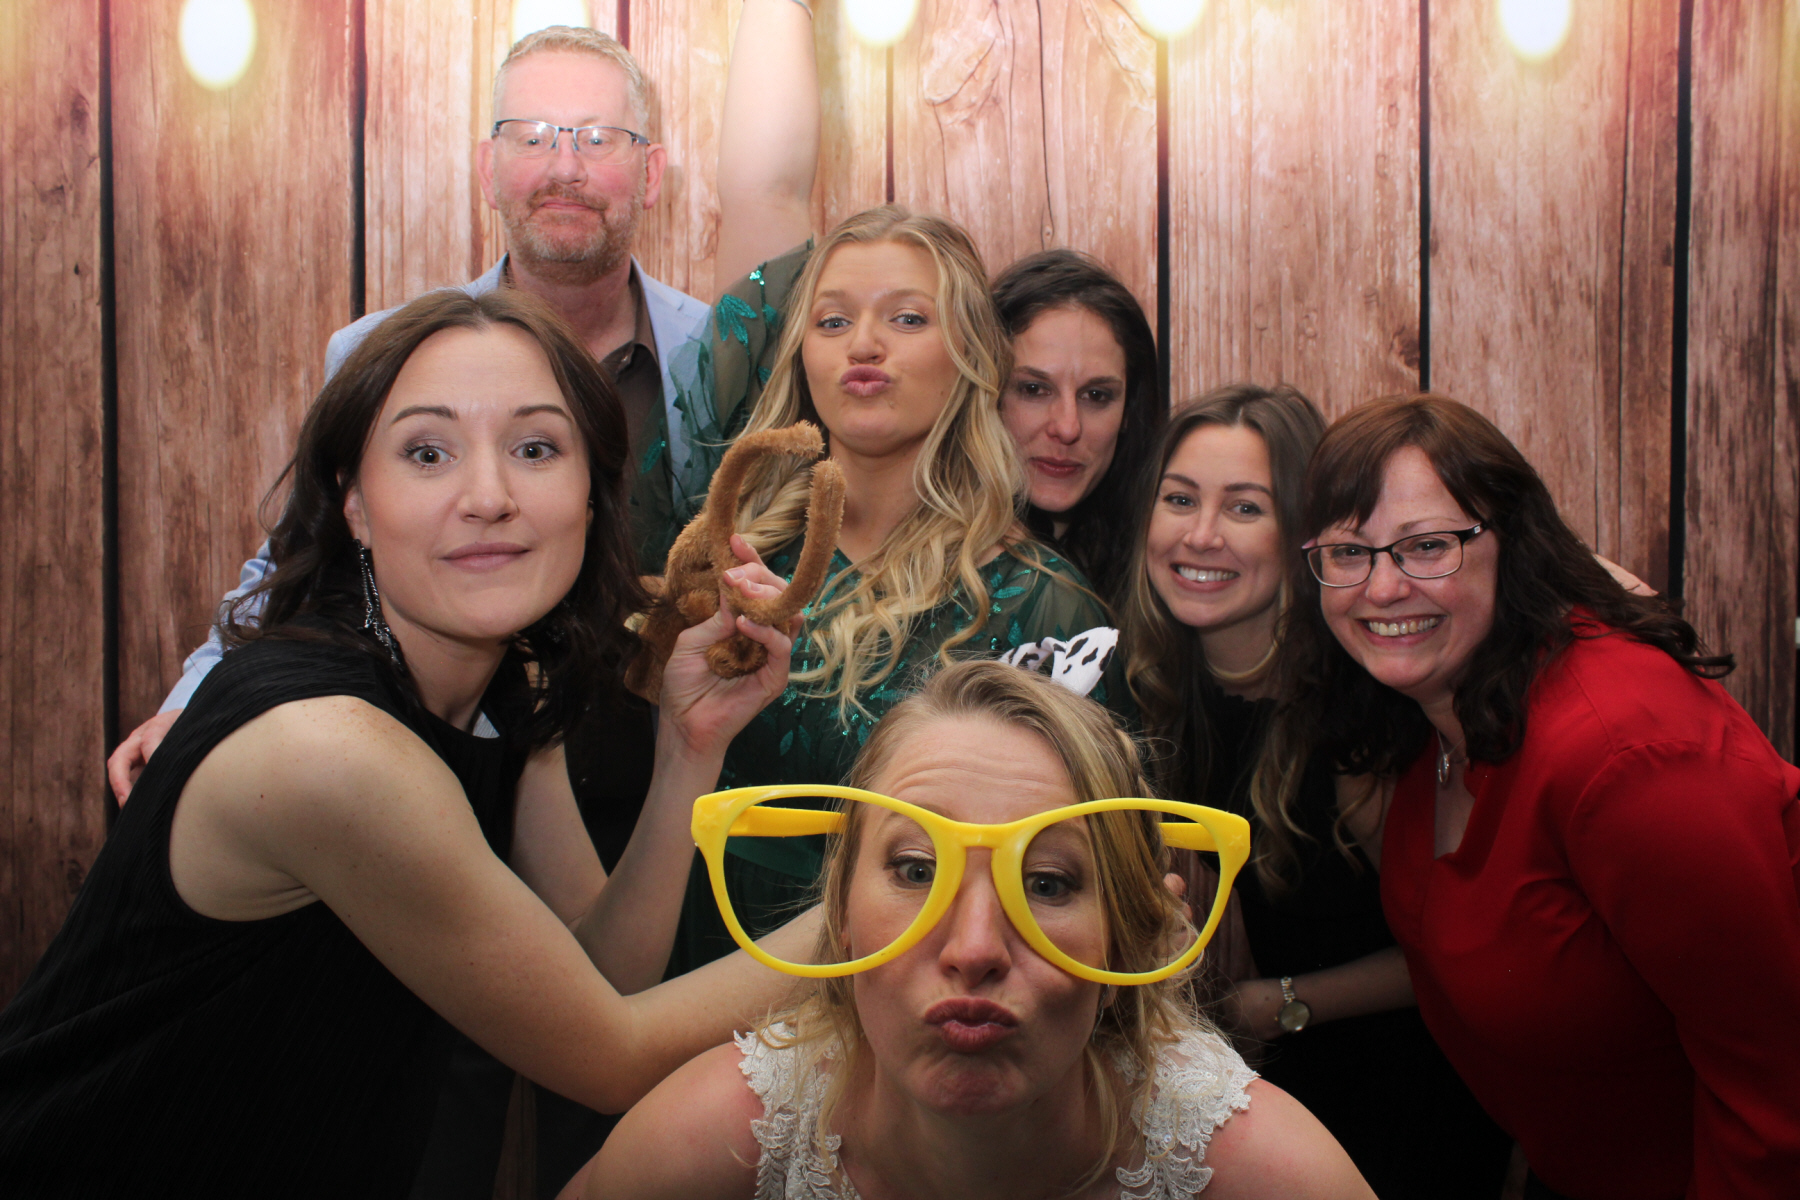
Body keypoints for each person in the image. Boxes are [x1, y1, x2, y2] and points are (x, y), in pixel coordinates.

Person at [0, 289, 810, 1198]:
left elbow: (603, 975)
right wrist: (874, 905)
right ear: (353, 502)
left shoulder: (502, 687)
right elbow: (611, 1057)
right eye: (428, 453)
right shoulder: (331, 750)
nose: (489, 498)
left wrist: (689, 747)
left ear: (592, 496)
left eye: (536, 449)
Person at [110, 23, 720, 801]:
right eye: (531, 137)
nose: (563, 167)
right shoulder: (379, 354)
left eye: (598, 139)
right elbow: (297, 561)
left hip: (671, 780)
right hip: (448, 773)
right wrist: (193, 703)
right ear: (488, 168)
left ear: (651, 173)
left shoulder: (723, 356)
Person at [571, 660, 1375, 1200]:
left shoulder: (1262, 1170)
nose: (975, 950)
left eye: (1048, 883)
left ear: (1125, 937)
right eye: (916, 870)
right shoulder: (715, 1139)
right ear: (841, 913)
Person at [1276, 393, 1800, 1200]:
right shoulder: (1440, 706)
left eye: (1427, 546)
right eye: (1349, 553)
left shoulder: (1628, 755)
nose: (1381, 588)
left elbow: (1779, 1093)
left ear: (1511, 544)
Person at [1118, 386, 1511, 1196]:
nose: (1200, 534)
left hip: (1390, 1107)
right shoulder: (1145, 688)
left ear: (1307, 534)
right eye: (1180, 499)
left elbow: (1456, 955)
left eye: (1245, 508)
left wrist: (1278, 1004)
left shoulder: (1360, 716)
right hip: (1238, 1109)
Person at [716, 1, 1162, 610]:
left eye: (908, 318)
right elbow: (762, 193)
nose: (1066, 426)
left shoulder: (1049, 596)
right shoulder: (741, 540)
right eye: (833, 321)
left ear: (969, 359)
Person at [991, 249, 1166, 606]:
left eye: (1096, 395)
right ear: (985, 394)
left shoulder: (1162, 568)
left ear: (1129, 412)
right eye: (1034, 390)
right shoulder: (927, 567)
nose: (1068, 427)